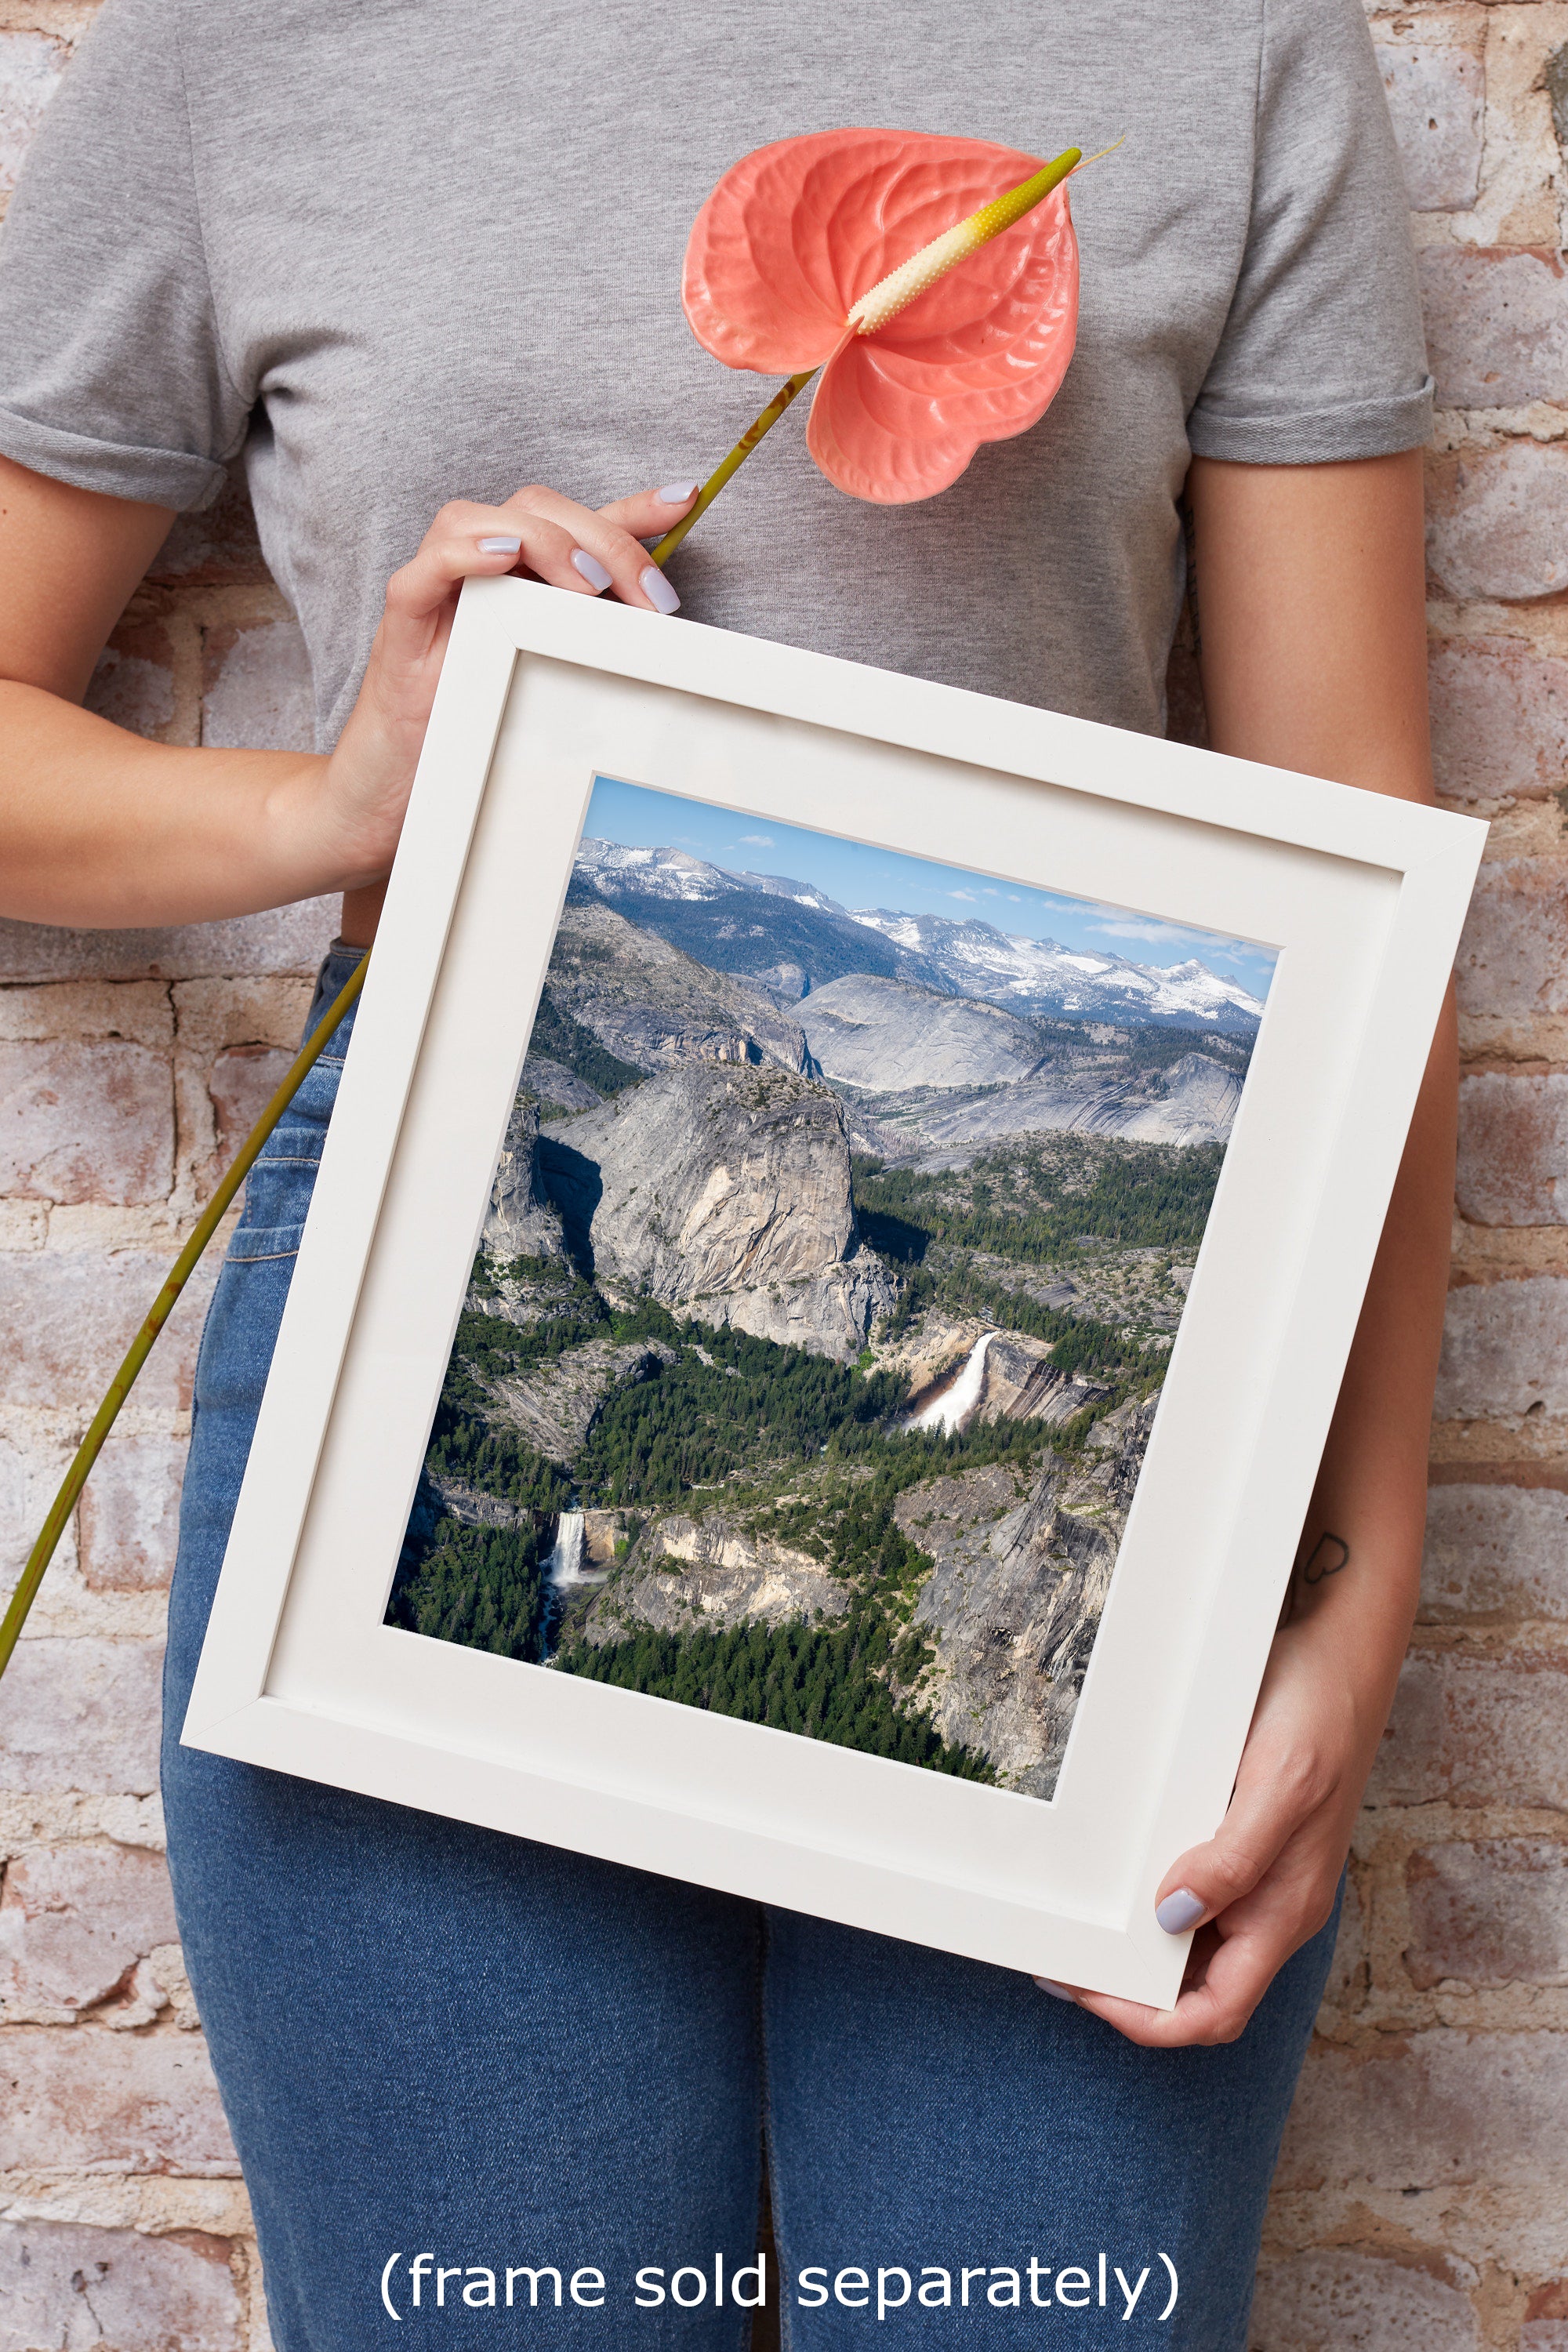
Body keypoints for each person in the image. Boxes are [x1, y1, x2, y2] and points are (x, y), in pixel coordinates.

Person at [0, 1, 1451, 2344]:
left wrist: (1349, 1590)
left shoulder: (1223, 41)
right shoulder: (233, 50)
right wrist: (323, 806)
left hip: (1115, 1369)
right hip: (432, 1302)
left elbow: (1376, 897)